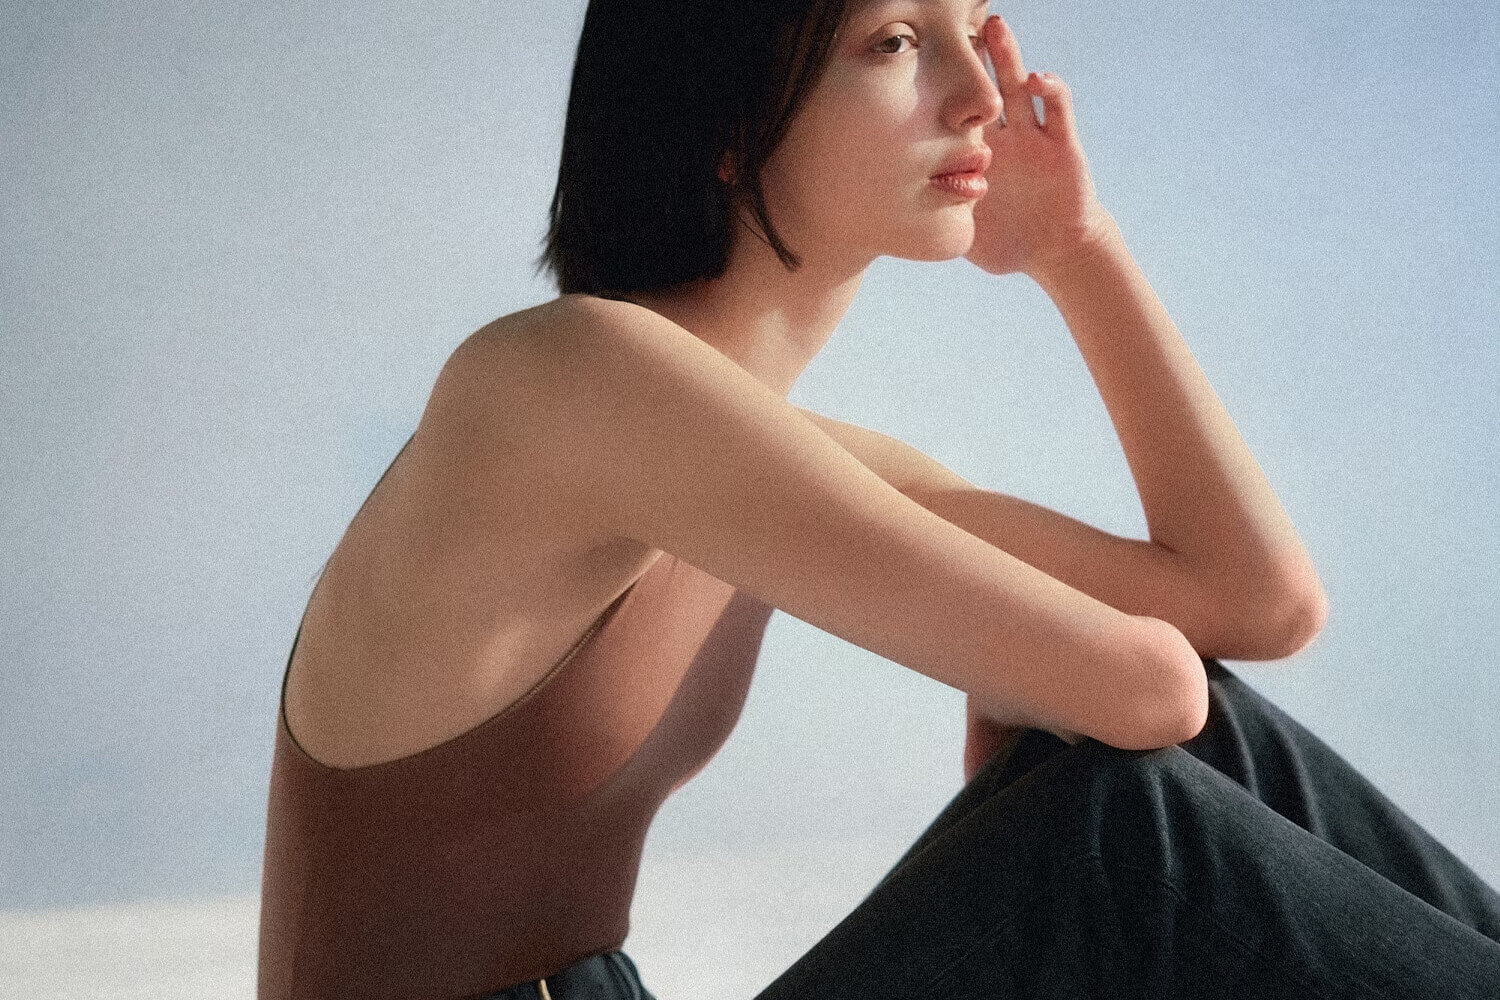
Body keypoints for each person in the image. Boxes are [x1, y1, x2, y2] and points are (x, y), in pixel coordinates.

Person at [256, 0, 1500, 997]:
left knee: (1202, 745)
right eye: (898, 41)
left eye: (974, 28)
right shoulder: (568, 378)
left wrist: (1076, 251)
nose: (982, 95)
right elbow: (1148, 688)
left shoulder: (762, 456)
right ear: (727, 118)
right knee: (1124, 828)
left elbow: (1256, 605)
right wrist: (1030, 672)